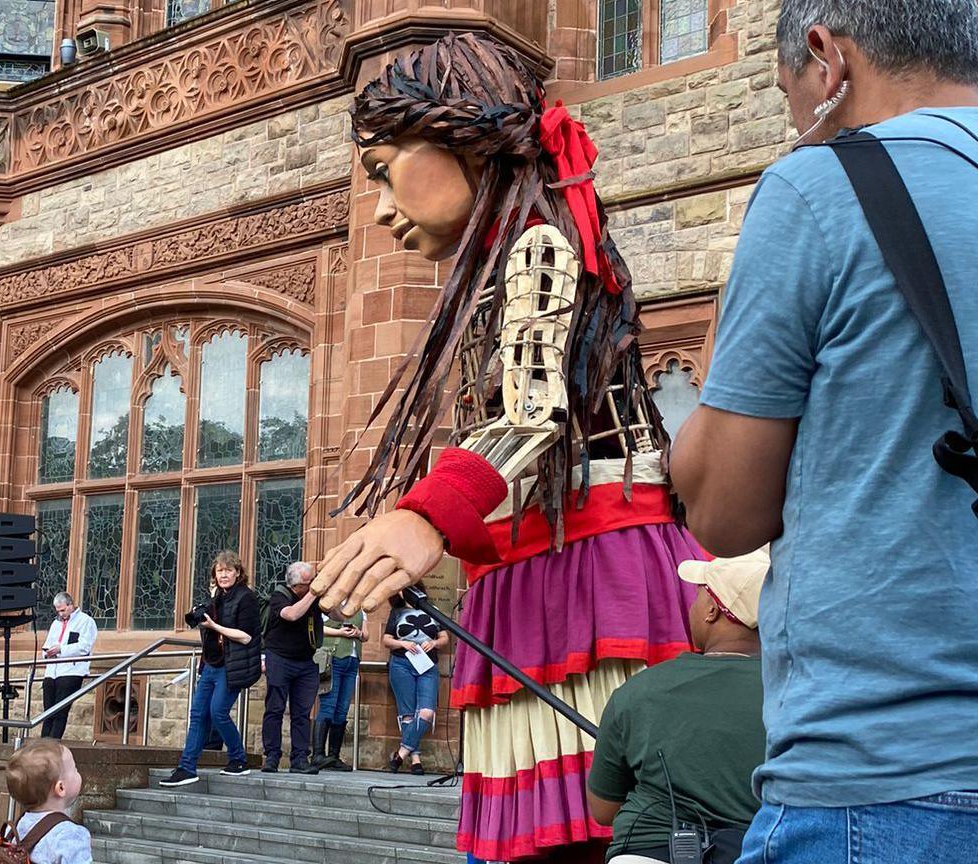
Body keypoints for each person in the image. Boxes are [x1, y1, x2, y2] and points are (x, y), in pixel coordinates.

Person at [311, 31, 704, 861]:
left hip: (591, 571)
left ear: (462, 139)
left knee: (606, 831)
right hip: (536, 571)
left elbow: (533, 413)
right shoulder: (507, 255)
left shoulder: (537, 240)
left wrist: (427, 516)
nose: (380, 208)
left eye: (384, 169)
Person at [669, 3, 978, 861]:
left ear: (824, 58)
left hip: (889, 777)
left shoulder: (819, 188)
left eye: (785, 95)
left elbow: (724, 516)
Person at [588, 551, 768, 863]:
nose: (693, 605)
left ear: (712, 610)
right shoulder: (795, 694)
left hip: (647, 851)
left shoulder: (638, 692)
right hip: (759, 852)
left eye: (699, 595)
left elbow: (603, 810)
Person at [161, 551, 261, 787]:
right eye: (219, 571)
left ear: (238, 572)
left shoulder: (246, 598)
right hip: (210, 666)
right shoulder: (217, 599)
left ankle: (238, 758)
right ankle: (187, 768)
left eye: (228, 570)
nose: (223, 575)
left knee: (217, 712)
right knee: (198, 715)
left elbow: (246, 637)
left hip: (231, 666)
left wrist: (215, 625)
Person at [260, 562, 323, 775]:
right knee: (275, 708)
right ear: (298, 586)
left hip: (306, 662)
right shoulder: (280, 596)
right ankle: (272, 757)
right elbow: (292, 615)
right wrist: (314, 594)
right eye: (310, 582)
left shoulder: (313, 596)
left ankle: (299, 759)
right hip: (279, 659)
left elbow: (338, 616)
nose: (314, 584)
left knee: (302, 713)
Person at [382, 595, 450, 775]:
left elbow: (445, 638)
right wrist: (402, 643)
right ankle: (415, 759)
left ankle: (400, 754)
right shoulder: (396, 612)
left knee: (426, 712)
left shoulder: (432, 609)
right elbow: (386, 640)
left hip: (427, 665)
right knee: (407, 714)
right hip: (401, 664)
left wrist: (434, 642)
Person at [6, 739, 93, 864]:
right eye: (75, 769)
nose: (78, 773)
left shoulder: (16, 828)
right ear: (61, 788)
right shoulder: (71, 835)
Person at [40, 592, 97, 740]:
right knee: (48, 712)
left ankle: (52, 746)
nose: (61, 614)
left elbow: (84, 646)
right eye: (58, 611)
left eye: (63, 610)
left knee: (60, 711)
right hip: (52, 671)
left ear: (70, 605)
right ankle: (42, 746)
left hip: (71, 671)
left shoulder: (86, 621)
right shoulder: (55, 623)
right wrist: (47, 653)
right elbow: (47, 644)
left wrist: (61, 650)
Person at [314, 608, 365, 771]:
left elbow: (366, 635)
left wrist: (358, 633)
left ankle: (333, 756)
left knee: (342, 709)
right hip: (332, 659)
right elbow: (318, 627)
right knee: (328, 705)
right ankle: (318, 755)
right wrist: (340, 632)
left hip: (352, 660)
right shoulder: (328, 604)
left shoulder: (361, 608)